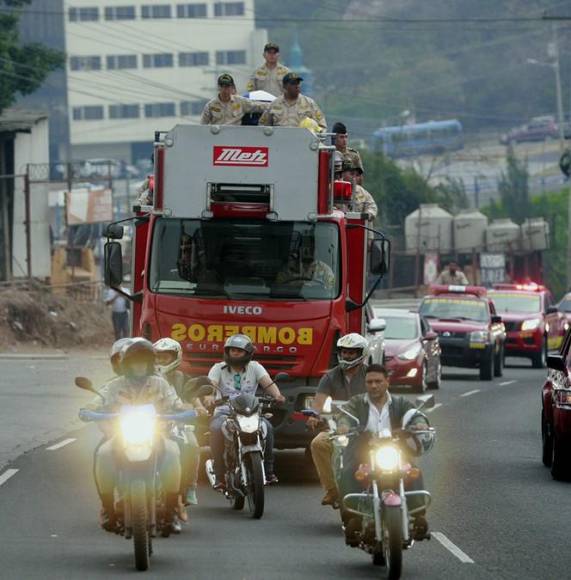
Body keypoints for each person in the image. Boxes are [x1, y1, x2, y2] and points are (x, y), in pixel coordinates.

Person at [87, 339, 187, 532]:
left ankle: (171, 509)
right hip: (121, 435)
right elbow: (97, 400)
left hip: (157, 434)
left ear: (150, 364)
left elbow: (176, 402)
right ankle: (108, 508)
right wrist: (88, 409)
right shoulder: (115, 385)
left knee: (174, 453)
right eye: (135, 362)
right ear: (127, 364)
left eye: (143, 362)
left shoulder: (161, 384)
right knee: (103, 454)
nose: (139, 366)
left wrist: (184, 410)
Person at [336, 365, 433, 544]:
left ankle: (419, 514)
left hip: (395, 449)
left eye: (378, 381)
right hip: (364, 451)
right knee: (349, 472)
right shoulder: (357, 403)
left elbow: (414, 415)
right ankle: (353, 518)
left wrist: (420, 423)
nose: (374, 386)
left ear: (387, 382)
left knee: (412, 470)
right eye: (369, 382)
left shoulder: (400, 402)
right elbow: (345, 416)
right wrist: (343, 425)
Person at [207, 334, 286, 488]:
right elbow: (211, 386)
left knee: (267, 428)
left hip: (250, 412)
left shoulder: (255, 367)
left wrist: (278, 395)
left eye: (239, 350)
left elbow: (268, 384)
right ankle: (219, 474)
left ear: (247, 353)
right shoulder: (218, 368)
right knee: (216, 428)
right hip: (225, 412)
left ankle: (268, 472)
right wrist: (209, 397)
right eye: (232, 350)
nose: (235, 353)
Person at [308, 333, 369, 507]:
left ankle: (395, 487)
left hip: (370, 429)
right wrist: (314, 415)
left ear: (361, 354)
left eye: (352, 352)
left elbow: (385, 399)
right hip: (340, 428)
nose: (347, 356)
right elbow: (319, 400)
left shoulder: (371, 375)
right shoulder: (330, 376)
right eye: (344, 352)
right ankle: (332, 490)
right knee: (318, 443)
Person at [153, 338, 206, 510]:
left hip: (177, 423)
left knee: (191, 445)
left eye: (165, 357)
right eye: (157, 357)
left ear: (175, 358)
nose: (161, 361)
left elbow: (193, 396)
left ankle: (189, 486)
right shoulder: (147, 378)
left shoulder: (183, 378)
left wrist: (197, 407)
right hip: (149, 424)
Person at [259, 72, 326, 130]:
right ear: (285, 86)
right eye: (293, 83)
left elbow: (322, 126)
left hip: (302, 141)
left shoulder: (309, 103)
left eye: (298, 83)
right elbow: (262, 126)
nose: (297, 86)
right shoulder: (274, 104)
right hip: (279, 141)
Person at [201, 73, 269, 125]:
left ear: (232, 87)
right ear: (218, 87)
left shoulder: (240, 101)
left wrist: (275, 105)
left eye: (227, 86)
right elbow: (202, 126)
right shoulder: (210, 105)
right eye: (222, 86)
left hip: (235, 139)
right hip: (217, 138)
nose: (225, 89)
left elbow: (258, 106)